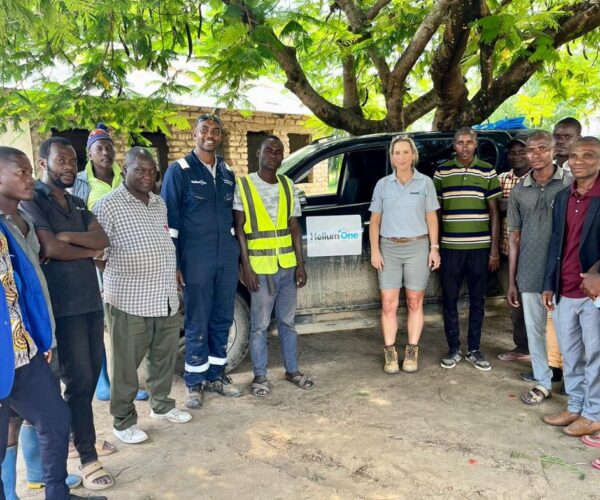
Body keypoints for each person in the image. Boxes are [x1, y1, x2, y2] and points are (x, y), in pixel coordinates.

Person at [0, 146, 105, 500]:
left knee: (55, 418)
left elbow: (24, 290)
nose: (30, 179)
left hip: (23, 348)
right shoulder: (29, 209)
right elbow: (52, 250)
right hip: (8, 351)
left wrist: (37, 338)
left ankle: (56, 493)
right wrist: (85, 250)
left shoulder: (13, 224)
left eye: (30, 172)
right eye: (22, 173)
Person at [94, 147, 191, 444]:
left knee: (163, 357)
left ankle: (161, 406)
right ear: (126, 170)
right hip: (129, 299)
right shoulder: (107, 205)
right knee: (126, 365)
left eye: (152, 171)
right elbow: (99, 254)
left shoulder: (158, 204)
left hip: (163, 296)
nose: (147, 176)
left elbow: (163, 243)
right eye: (140, 170)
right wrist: (119, 278)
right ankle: (123, 423)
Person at [161, 113, 241, 409]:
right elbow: (169, 223)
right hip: (195, 258)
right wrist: (175, 264)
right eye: (204, 129)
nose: (210, 134)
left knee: (222, 317)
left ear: (220, 137)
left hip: (225, 257)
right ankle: (194, 383)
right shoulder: (179, 171)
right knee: (198, 319)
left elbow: (234, 219)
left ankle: (216, 376)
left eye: (216, 131)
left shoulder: (228, 173)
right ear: (194, 134)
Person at [71, 124, 146, 403]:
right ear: (89, 154)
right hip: (95, 261)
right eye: (99, 148)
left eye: (109, 147)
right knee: (103, 320)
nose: (105, 152)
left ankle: (126, 381)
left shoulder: (125, 177)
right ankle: (104, 380)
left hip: (129, 259)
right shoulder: (80, 182)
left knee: (127, 323)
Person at [233, 136, 313, 396]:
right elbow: (239, 230)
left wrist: (300, 264)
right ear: (259, 153)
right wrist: (246, 266)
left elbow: (294, 227)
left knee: (288, 322)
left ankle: (292, 370)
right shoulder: (243, 186)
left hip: (287, 265)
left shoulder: (288, 185)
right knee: (259, 325)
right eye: (269, 150)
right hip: (260, 267)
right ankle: (259, 376)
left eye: (279, 152)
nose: (274, 156)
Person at [506, 131, 571, 405]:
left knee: (568, 330)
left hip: (563, 271)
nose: (535, 154)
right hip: (530, 270)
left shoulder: (569, 183)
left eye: (542, 148)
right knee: (535, 330)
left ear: (554, 150)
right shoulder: (520, 190)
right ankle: (542, 381)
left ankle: (573, 384)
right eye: (531, 150)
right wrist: (512, 280)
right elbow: (514, 235)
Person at [542, 136, 600, 438]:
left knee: (596, 356)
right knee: (572, 354)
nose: (578, 161)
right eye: (574, 156)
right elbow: (556, 243)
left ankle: (594, 413)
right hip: (564, 289)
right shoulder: (564, 197)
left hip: (594, 294)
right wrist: (549, 282)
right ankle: (575, 406)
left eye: (588, 155)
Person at [368, 136, 440, 373]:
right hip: (388, 248)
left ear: (413, 155)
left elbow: (431, 217)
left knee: (414, 301)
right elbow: (375, 221)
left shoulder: (425, 183)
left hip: (417, 247)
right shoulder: (383, 184)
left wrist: (434, 248)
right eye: (396, 153)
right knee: (388, 304)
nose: (400, 157)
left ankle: (411, 352)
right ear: (392, 157)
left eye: (405, 152)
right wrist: (376, 250)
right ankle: (390, 353)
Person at [434, 127, 501, 371]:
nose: (464, 146)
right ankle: (453, 349)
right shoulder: (442, 171)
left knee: (477, 301)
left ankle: (474, 349)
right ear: (454, 145)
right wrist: (436, 247)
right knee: (449, 300)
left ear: (475, 144)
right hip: (450, 248)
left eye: (468, 142)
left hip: (480, 249)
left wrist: (494, 251)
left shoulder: (487, 170)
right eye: (460, 142)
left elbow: (494, 212)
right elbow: (436, 212)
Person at [496, 137, 530, 362]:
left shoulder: (536, 179)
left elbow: (524, 207)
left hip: (530, 254)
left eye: (522, 151)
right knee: (514, 303)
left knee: (533, 304)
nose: (517, 156)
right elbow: (495, 208)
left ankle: (541, 352)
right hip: (506, 251)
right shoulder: (502, 179)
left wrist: (509, 205)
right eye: (512, 152)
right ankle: (522, 347)